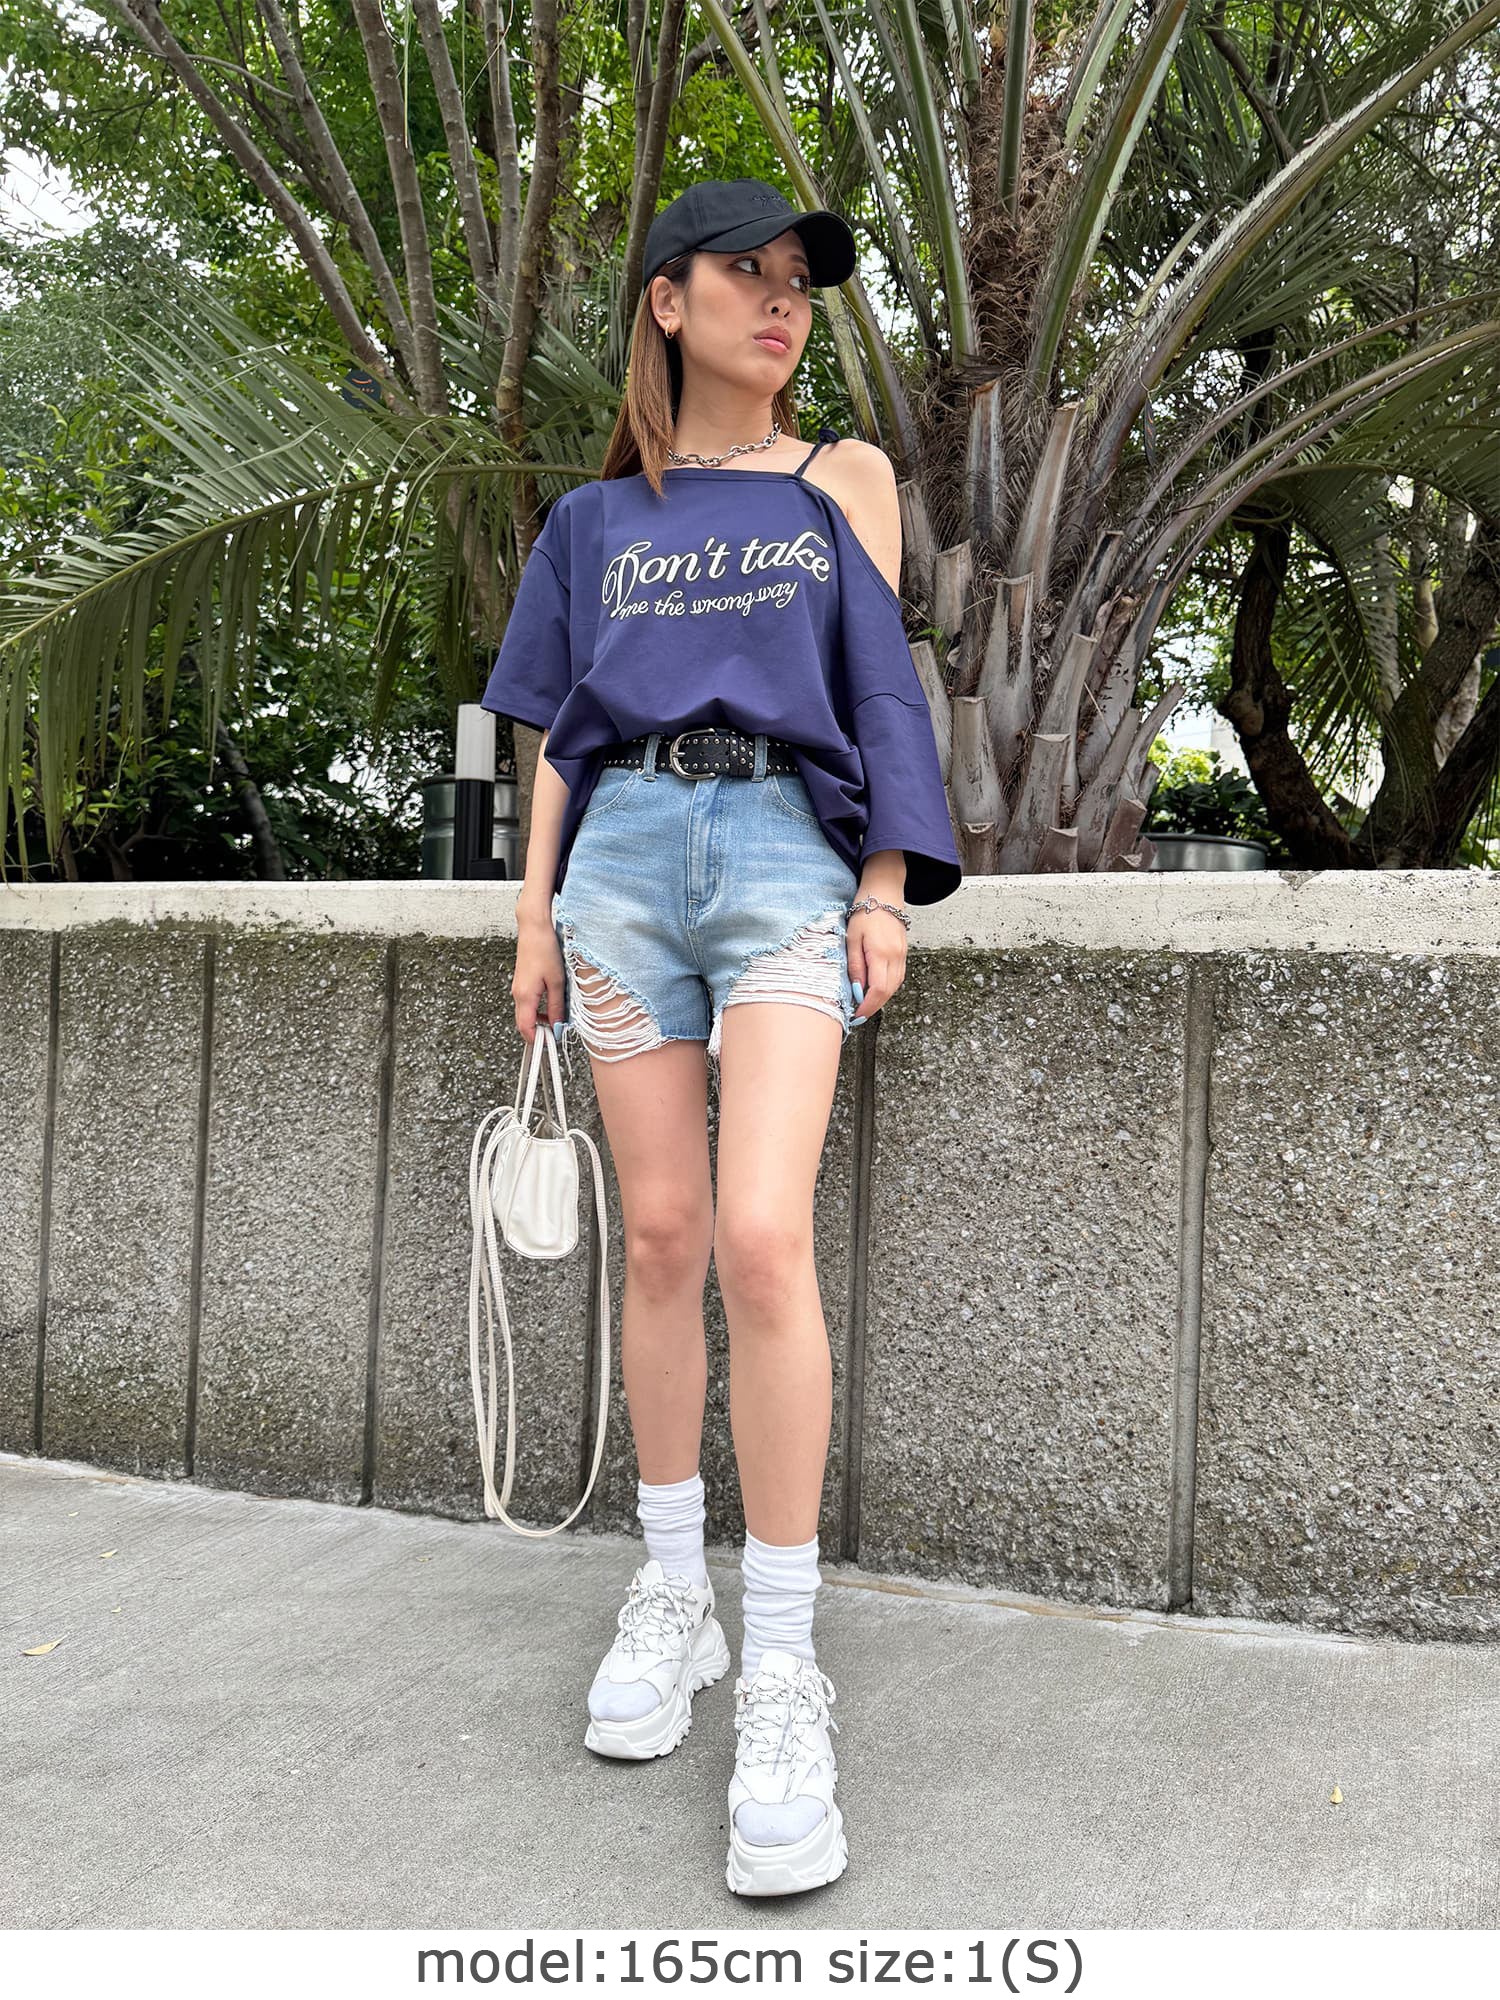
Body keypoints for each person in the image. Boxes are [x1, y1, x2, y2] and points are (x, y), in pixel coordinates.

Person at [480, 177, 961, 1898]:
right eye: (745, 275)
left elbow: (878, 684)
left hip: (779, 866)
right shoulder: (592, 520)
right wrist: (534, 914)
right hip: (619, 874)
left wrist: (884, 886)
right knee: (666, 1233)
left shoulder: (845, 480)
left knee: (762, 1235)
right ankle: (673, 1590)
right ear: (667, 304)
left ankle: (782, 1662)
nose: (782, 303)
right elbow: (556, 733)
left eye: (800, 283)